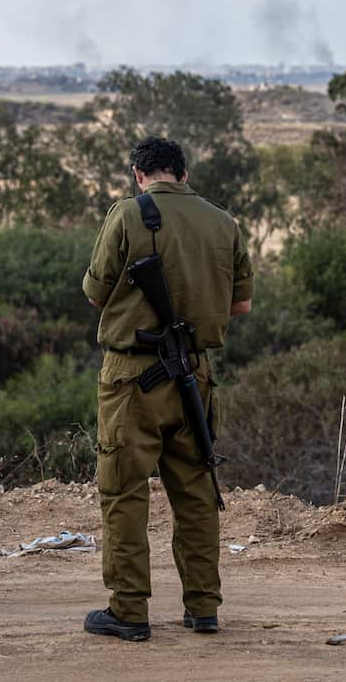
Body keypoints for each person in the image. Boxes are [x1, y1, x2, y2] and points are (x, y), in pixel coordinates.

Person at [80, 136, 253, 642]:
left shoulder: (129, 215)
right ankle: (203, 608)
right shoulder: (223, 222)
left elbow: (94, 294)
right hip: (193, 377)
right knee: (197, 492)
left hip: (132, 377)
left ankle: (129, 611)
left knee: (123, 492)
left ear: (139, 174)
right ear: (184, 172)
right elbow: (240, 305)